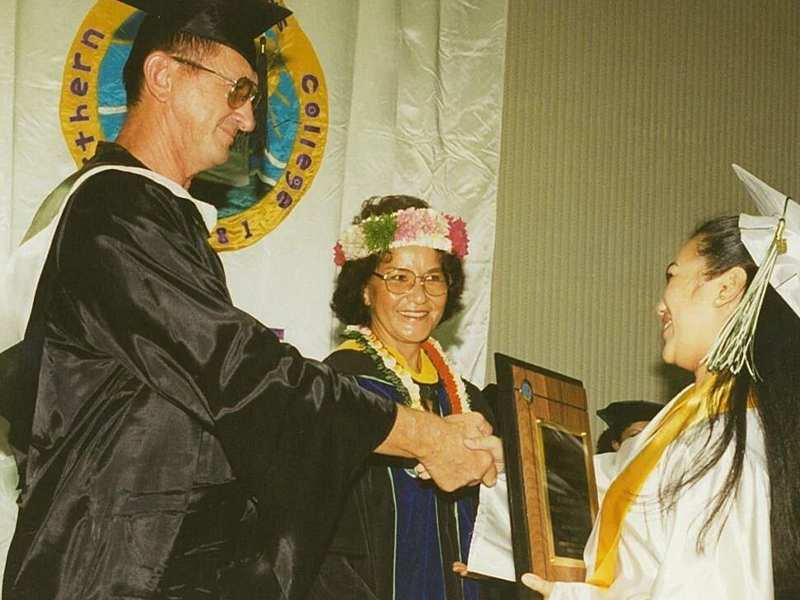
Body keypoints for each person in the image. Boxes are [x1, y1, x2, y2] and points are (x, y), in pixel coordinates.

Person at [0, 2, 497, 598]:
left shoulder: (143, 213)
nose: (249, 118)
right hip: (108, 565)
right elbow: (238, 370)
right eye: (237, 90)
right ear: (163, 76)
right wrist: (425, 436)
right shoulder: (117, 210)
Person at [522, 164, 800, 600]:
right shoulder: (699, 412)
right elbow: (615, 482)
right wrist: (512, 457)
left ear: (726, 288)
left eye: (673, 274)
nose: (660, 304)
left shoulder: (725, 446)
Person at [310, 195, 499, 600]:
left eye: (434, 278)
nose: (419, 295)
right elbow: (317, 535)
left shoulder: (467, 399)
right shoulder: (339, 388)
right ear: (364, 290)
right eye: (398, 277)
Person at [594, 400, 663, 454]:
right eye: (635, 435)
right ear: (617, 445)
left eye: (651, 434)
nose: (645, 440)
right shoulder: (602, 470)